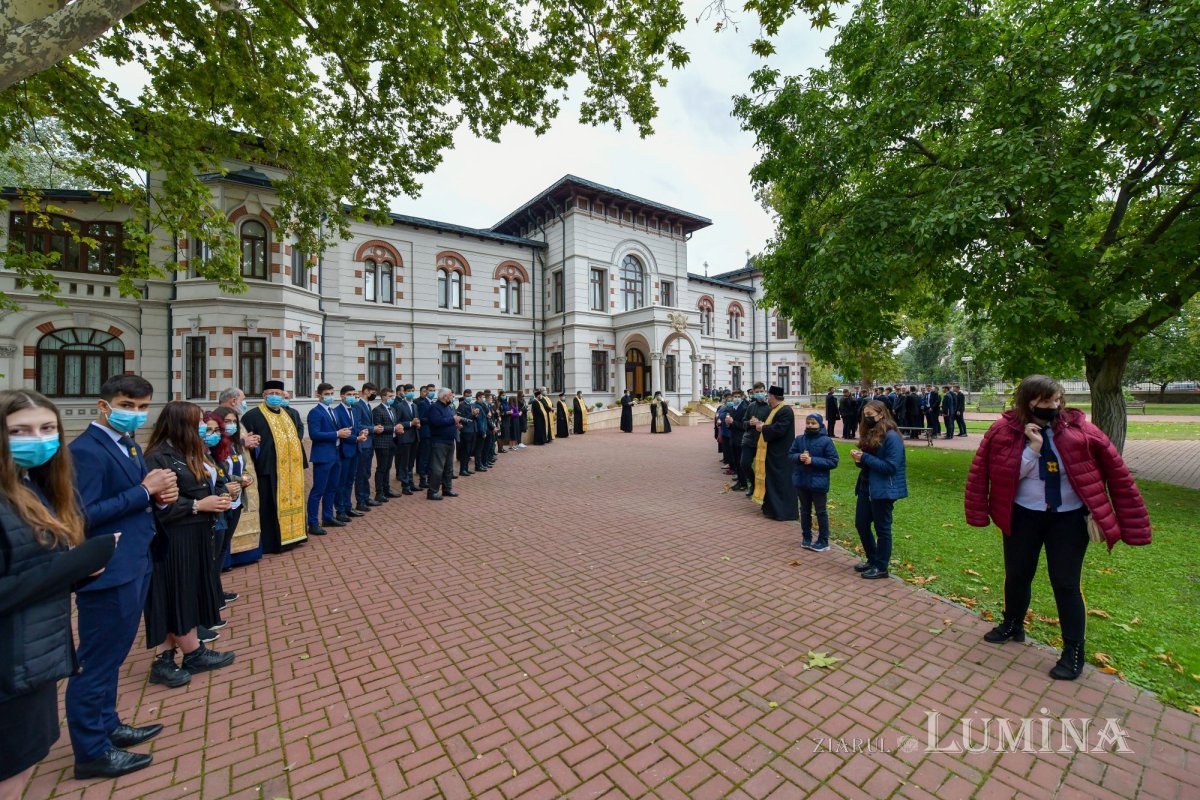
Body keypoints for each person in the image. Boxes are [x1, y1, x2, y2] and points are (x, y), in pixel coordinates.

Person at [965, 375, 1151, 680]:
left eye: (1057, 400)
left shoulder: (1081, 431)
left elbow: (1119, 476)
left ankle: (1073, 650)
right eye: (1045, 401)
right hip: (1023, 517)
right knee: (1017, 574)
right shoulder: (1004, 431)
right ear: (1028, 401)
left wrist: (1133, 525)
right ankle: (1013, 624)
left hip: (1068, 520)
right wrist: (1033, 448)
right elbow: (989, 474)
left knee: (1065, 584)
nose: (1053, 406)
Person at [2, 390, 119, 794]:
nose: (38, 439)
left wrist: (76, 572)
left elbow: (31, 569)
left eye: (47, 428)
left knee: (19, 768)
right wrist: (76, 564)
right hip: (11, 661)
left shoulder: (30, 488)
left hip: (35, 653)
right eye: (20, 430)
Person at [66, 375, 181, 781]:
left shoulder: (127, 444)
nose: (135, 413)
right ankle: (91, 751)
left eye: (142, 406)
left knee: (113, 656)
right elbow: (81, 515)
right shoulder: (85, 451)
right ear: (103, 406)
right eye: (126, 405)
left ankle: (108, 724)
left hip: (136, 559)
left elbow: (137, 497)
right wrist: (144, 491)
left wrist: (156, 497)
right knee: (96, 663)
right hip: (109, 569)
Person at [142, 402, 237, 691]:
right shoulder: (158, 458)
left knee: (185, 594)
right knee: (176, 594)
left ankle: (176, 654)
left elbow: (212, 480)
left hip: (197, 534)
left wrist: (221, 493)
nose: (203, 428)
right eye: (197, 423)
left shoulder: (192, 452)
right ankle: (183, 654)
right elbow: (160, 506)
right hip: (174, 539)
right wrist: (197, 505)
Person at [241, 381, 307, 552]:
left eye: (278, 393)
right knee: (269, 506)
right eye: (271, 393)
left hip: (291, 471)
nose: (275, 396)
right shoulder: (252, 416)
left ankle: (293, 537)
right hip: (268, 469)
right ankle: (272, 542)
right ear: (264, 396)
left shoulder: (287, 414)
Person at [850, 400, 908, 579]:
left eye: (870, 416)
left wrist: (865, 458)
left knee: (882, 529)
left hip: (884, 489)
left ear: (881, 415)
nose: (867, 419)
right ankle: (872, 558)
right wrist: (860, 459)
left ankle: (881, 566)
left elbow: (891, 466)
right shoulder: (871, 433)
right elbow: (869, 463)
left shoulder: (891, 437)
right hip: (866, 486)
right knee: (861, 523)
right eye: (864, 415)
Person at [211, 406, 261, 567]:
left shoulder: (235, 444)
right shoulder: (215, 447)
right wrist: (239, 479)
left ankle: (217, 588)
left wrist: (246, 477)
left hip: (237, 500)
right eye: (227, 422)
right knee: (216, 548)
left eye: (234, 422)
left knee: (224, 543)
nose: (231, 425)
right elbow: (219, 473)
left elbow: (242, 465)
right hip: (222, 500)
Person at [788, 412, 839, 552]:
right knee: (804, 510)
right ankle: (806, 537)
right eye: (808, 423)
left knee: (820, 511)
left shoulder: (826, 441)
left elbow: (833, 461)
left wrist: (813, 461)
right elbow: (790, 455)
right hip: (801, 480)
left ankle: (823, 540)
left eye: (813, 423)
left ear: (820, 425)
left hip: (818, 482)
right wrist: (799, 457)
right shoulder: (799, 439)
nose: (810, 425)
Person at [751, 386, 799, 521]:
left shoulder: (785, 410)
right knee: (772, 480)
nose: (767, 398)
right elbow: (773, 426)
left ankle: (784, 512)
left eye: (768, 395)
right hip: (773, 452)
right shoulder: (775, 410)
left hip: (781, 453)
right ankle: (771, 509)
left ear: (773, 396)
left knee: (781, 482)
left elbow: (779, 429)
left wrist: (763, 427)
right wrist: (762, 425)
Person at [306, 383, 347, 536]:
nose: (330, 396)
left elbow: (337, 430)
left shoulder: (332, 411)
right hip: (323, 456)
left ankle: (328, 517)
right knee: (318, 490)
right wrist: (337, 434)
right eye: (326, 394)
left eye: (331, 393)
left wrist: (345, 433)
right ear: (319, 395)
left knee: (332, 487)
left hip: (336, 453)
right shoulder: (315, 412)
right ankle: (313, 522)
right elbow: (314, 434)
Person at [334, 385, 370, 523]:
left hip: (355, 449)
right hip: (344, 450)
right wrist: (356, 438)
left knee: (350, 480)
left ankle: (348, 507)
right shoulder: (337, 411)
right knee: (341, 482)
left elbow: (356, 427)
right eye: (349, 394)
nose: (353, 397)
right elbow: (341, 431)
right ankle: (340, 510)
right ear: (342, 396)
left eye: (354, 394)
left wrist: (362, 432)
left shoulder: (354, 410)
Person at [426, 388, 461, 500]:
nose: (452, 397)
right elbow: (436, 422)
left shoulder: (447, 407)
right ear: (444, 396)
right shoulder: (434, 407)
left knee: (448, 468)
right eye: (450, 395)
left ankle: (447, 489)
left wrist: (456, 425)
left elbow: (448, 421)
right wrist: (452, 420)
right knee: (437, 468)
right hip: (439, 442)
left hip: (450, 441)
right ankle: (432, 491)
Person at [371, 386, 403, 502]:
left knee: (388, 467)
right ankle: (379, 492)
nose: (392, 398)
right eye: (390, 396)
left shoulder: (392, 409)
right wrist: (394, 428)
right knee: (381, 468)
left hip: (392, 442)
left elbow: (395, 423)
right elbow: (379, 427)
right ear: (383, 397)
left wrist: (398, 427)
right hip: (382, 443)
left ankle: (386, 489)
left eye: (393, 396)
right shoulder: (377, 410)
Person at [734, 384, 767, 494]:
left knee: (761, 466)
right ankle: (753, 484)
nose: (759, 393)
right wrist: (749, 422)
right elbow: (744, 422)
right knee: (744, 463)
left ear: (765, 391)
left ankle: (762, 488)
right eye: (756, 392)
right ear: (753, 393)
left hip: (762, 441)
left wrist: (763, 425)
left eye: (761, 391)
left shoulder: (769, 407)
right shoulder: (751, 406)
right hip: (748, 440)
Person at [352, 382, 379, 512]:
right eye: (372, 392)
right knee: (361, 473)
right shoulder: (358, 405)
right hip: (363, 443)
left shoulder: (367, 405)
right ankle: (360, 501)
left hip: (370, 443)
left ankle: (366, 497)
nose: (374, 394)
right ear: (366, 391)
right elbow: (358, 425)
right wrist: (373, 428)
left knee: (366, 472)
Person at [393, 384, 418, 494]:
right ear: (404, 392)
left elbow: (416, 419)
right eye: (409, 390)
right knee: (404, 462)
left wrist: (417, 424)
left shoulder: (414, 405)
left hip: (415, 436)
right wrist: (409, 423)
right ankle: (405, 485)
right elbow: (397, 422)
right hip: (405, 437)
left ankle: (411, 483)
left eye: (413, 390)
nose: (411, 392)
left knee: (411, 462)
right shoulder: (400, 405)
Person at [415, 384, 436, 488]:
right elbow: (421, 418)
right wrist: (432, 419)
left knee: (430, 457)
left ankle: (429, 478)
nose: (432, 392)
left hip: (432, 433)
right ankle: (422, 479)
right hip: (425, 433)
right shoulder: (423, 403)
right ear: (426, 391)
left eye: (434, 390)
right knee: (424, 457)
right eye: (430, 390)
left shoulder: (433, 403)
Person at [456, 390, 478, 474]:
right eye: (467, 395)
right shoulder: (462, 405)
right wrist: (472, 414)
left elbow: (474, 417)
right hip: (466, 430)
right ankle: (462, 469)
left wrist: (476, 414)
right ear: (464, 396)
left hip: (473, 429)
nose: (469, 397)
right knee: (465, 450)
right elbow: (461, 418)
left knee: (470, 450)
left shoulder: (472, 404)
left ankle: (466, 468)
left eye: (470, 395)